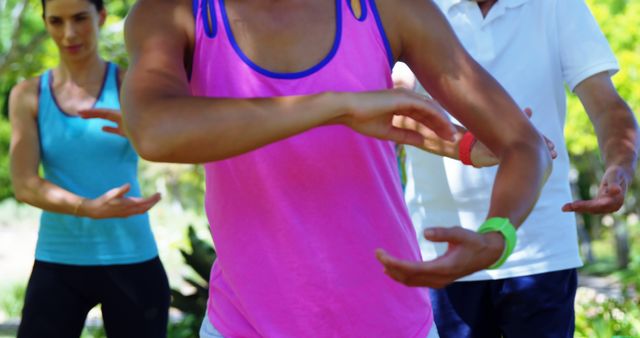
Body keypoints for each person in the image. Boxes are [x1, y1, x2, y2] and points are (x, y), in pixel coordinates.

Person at [121, 0, 552, 336]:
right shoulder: (172, 12)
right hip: (243, 325)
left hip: (395, 326)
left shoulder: (389, 9)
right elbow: (155, 131)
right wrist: (337, 105)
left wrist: (498, 234)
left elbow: (524, 144)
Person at [391, 0, 640, 337]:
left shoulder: (557, 6)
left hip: (542, 252)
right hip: (443, 253)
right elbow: (393, 103)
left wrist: (619, 167)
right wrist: (472, 145)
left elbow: (607, 105)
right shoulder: (412, 7)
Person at [8, 0, 170, 336]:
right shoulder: (28, 95)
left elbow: (178, 147)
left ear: (100, 17)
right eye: (56, 21)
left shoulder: (132, 86)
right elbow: (23, 184)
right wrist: (87, 208)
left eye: (80, 18)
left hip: (132, 257)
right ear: (46, 23)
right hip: (59, 260)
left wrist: (142, 132)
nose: (69, 33)